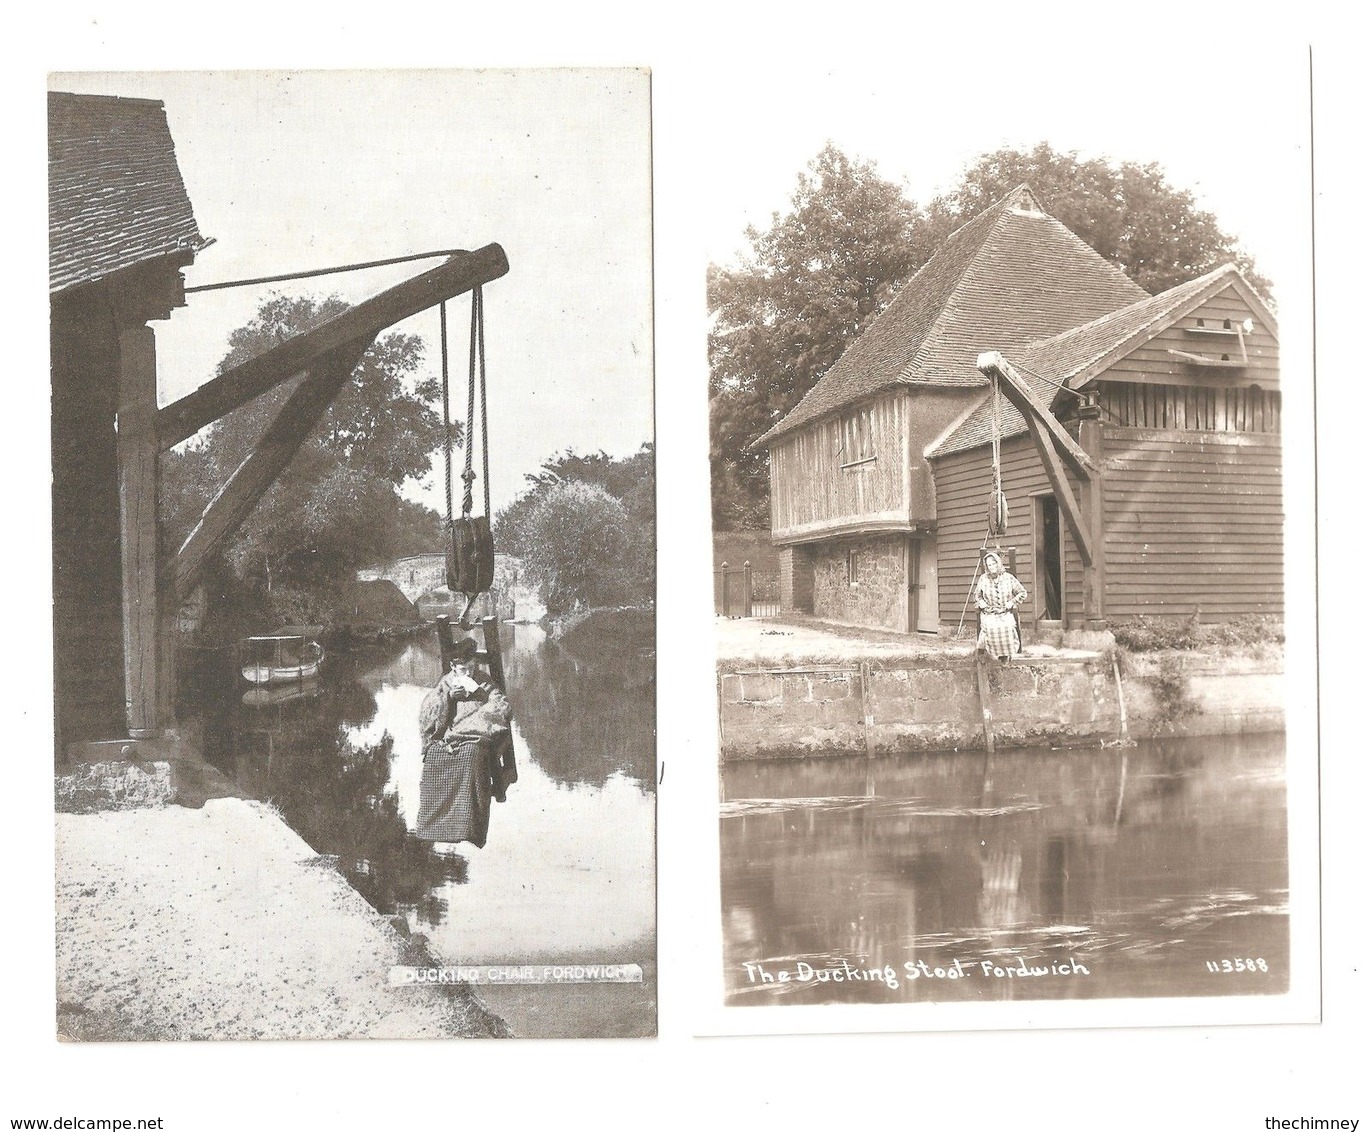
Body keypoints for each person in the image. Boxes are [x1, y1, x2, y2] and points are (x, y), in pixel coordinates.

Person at [976, 551, 1028, 662]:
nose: (992, 567)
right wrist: (981, 603)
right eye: (989, 565)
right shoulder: (983, 579)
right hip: (989, 612)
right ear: (987, 567)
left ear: (999, 563)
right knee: (990, 628)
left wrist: (1012, 602)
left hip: (1004, 612)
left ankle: (1004, 656)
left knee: (1007, 627)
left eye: (994, 563)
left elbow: (1022, 593)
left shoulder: (1008, 578)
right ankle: (988, 656)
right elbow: (977, 595)